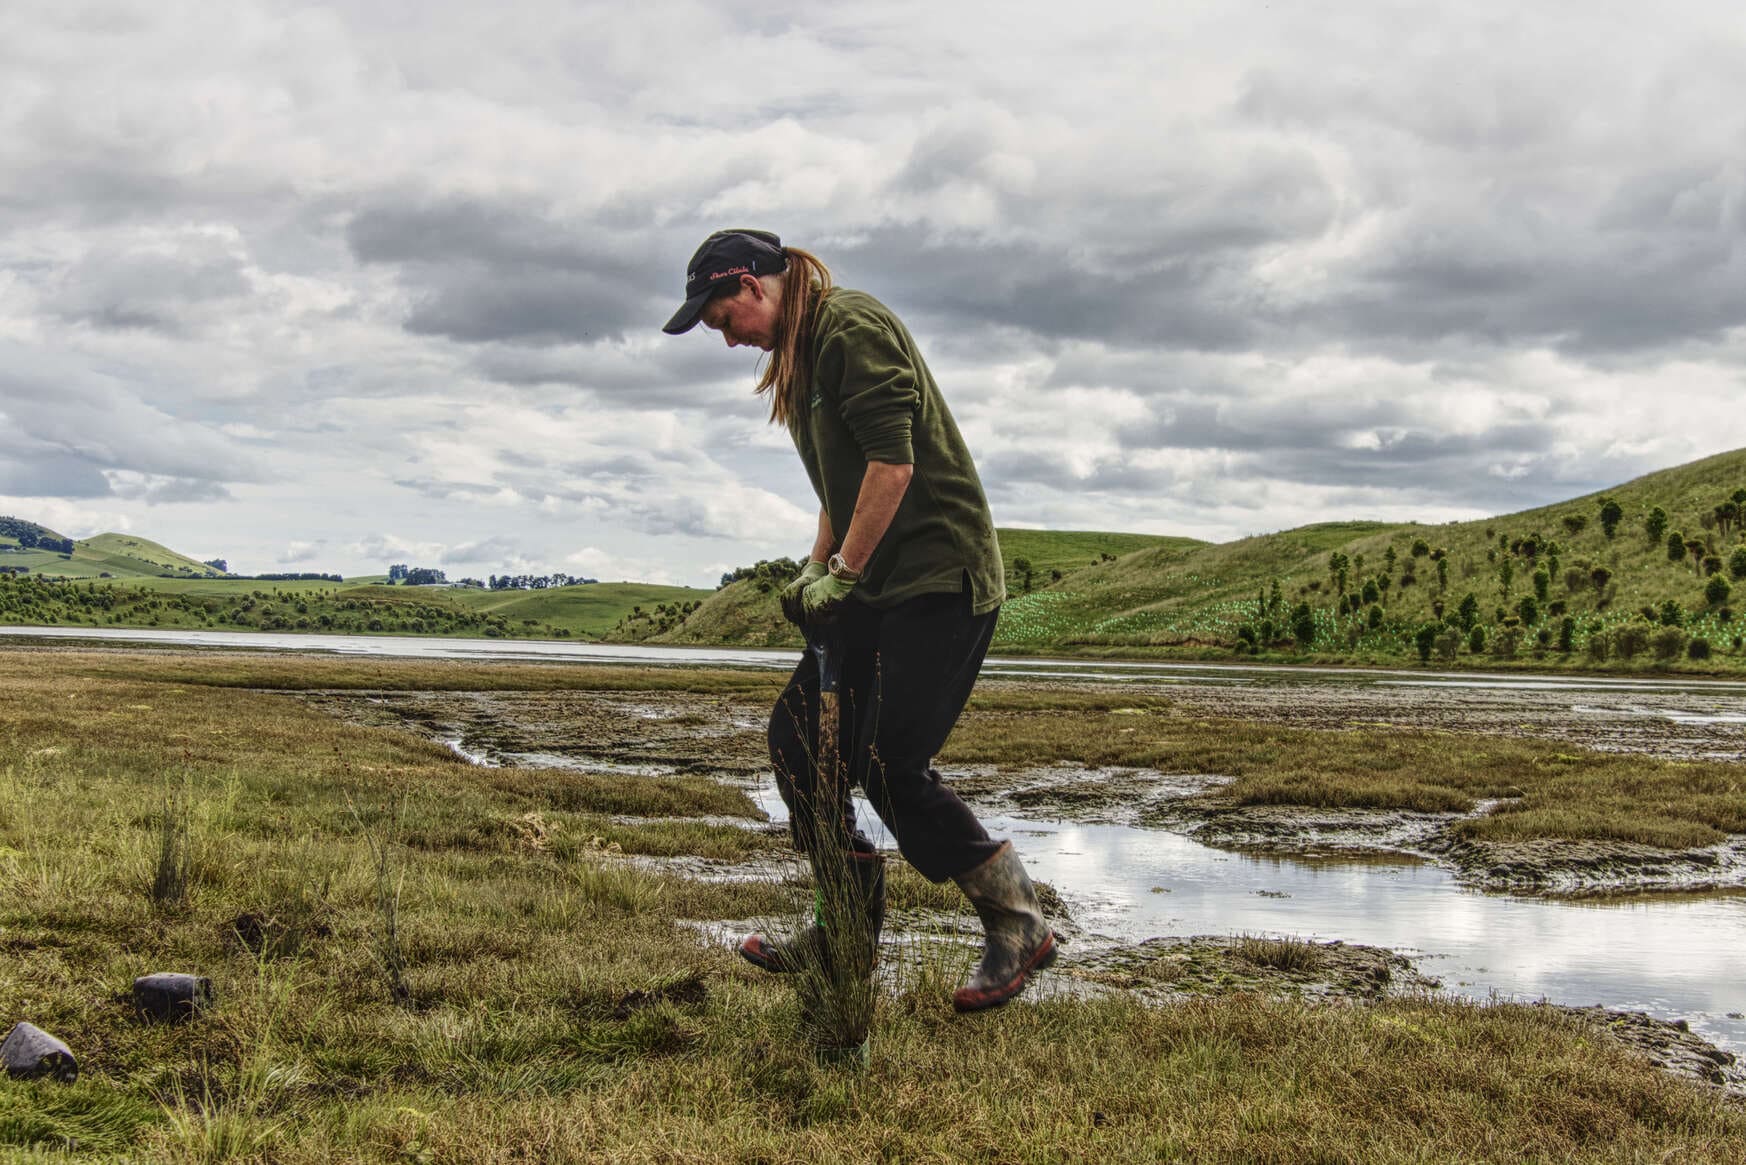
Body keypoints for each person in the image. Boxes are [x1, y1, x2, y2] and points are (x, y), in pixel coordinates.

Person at [662, 228, 1056, 1011]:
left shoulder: (851, 328)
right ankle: (842, 934)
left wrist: (844, 572)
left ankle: (1017, 921)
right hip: (877, 589)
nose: (728, 336)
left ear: (748, 286)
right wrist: (817, 567)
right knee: (799, 741)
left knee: (886, 762)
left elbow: (892, 464)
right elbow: (842, 485)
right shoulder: (804, 355)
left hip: (941, 580)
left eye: (721, 319)